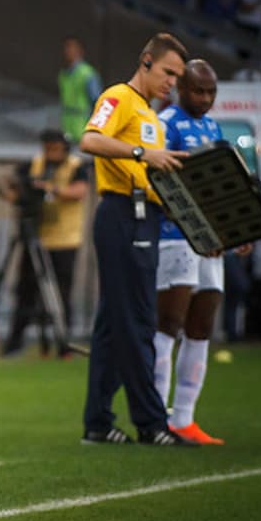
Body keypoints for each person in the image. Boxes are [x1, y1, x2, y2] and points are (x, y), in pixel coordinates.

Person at [79, 32, 196, 446]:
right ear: (146, 61)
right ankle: (151, 423)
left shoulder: (149, 115)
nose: (172, 82)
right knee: (139, 321)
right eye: (168, 72)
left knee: (113, 325)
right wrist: (142, 155)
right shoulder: (118, 98)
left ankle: (97, 422)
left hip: (143, 218)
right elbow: (89, 139)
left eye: (177, 77)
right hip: (122, 215)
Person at [152, 60, 251, 445]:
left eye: (211, 92)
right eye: (198, 91)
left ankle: (185, 419)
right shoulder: (166, 124)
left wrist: (230, 232)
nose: (206, 99)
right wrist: (200, 230)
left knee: (202, 326)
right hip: (176, 238)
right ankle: (156, 414)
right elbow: (163, 189)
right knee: (169, 323)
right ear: (181, 89)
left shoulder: (212, 127)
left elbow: (219, 188)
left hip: (210, 243)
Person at [0, 129, 89, 358]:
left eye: (56, 149)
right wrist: (15, 194)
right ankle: (15, 342)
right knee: (25, 290)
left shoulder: (77, 166)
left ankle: (62, 343)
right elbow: (10, 186)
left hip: (65, 239)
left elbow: (79, 192)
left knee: (61, 293)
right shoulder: (33, 166)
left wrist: (51, 189)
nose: (51, 154)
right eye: (48, 148)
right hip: (35, 237)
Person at [57, 37, 102, 143]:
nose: (68, 52)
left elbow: (96, 100)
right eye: (66, 48)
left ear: (79, 51)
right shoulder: (64, 74)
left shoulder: (87, 73)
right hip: (67, 125)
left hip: (83, 124)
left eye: (71, 48)